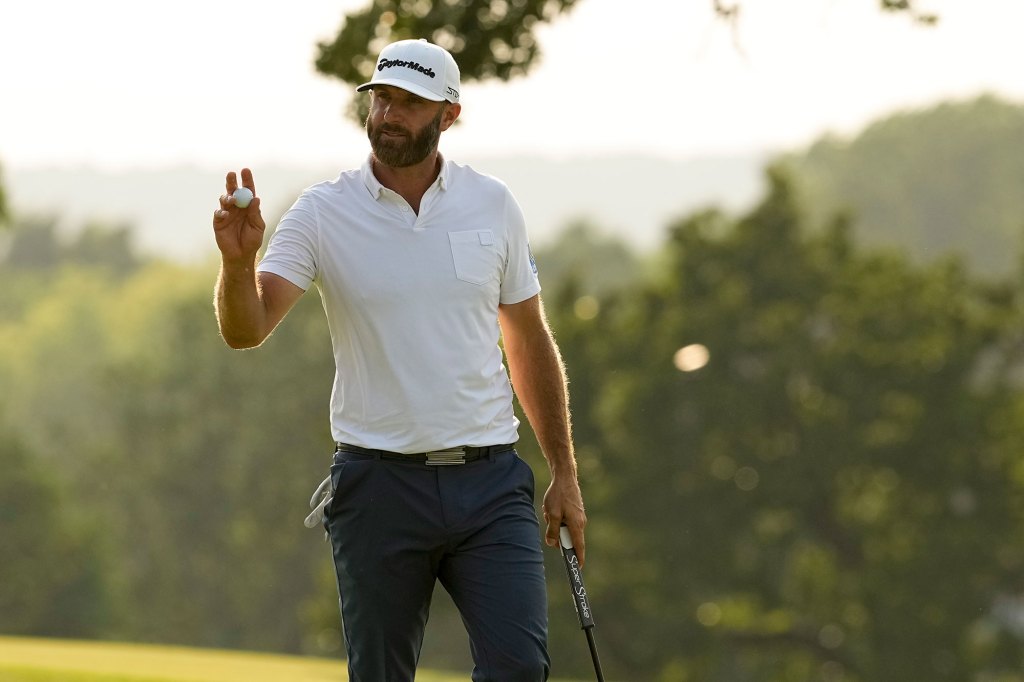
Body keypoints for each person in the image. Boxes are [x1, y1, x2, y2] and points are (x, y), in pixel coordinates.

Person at [211, 39, 587, 681]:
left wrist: (563, 471)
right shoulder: (323, 211)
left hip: (490, 483)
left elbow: (527, 338)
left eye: (410, 103)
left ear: (449, 115)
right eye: (382, 97)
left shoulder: (492, 204)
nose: (389, 113)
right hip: (378, 487)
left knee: (520, 669)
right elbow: (247, 330)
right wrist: (238, 263)